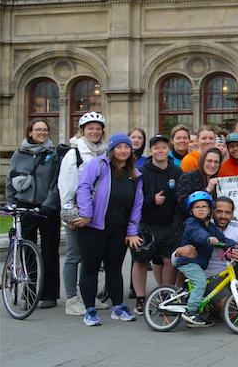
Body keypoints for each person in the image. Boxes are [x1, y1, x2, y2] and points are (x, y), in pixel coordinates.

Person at [74, 133, 143, 326]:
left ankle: (118, 307)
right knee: (90, 267)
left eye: (126, 147)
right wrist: (86, 214)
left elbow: (137, 206)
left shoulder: (135, 175)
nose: (123, 151)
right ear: (112, 149)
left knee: (114, 268)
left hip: (118, 229)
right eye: (119, 147)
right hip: (92, 227)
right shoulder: (97, 165)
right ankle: (89, 310)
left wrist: (132, 231)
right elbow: (84, 188)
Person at [6, 118, 63, 309]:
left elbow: (57, 183)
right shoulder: (19, 154)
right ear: (30, 132)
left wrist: (50, 204)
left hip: (47, 208)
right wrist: (12, 204)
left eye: (45, 130)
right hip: (25, 207)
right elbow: (10, 179)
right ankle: (29, 294)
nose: (42, 133)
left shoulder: (53, 154)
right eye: (38, 130)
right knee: (27, 251)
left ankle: (49, 295)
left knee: (49, 251)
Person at [58, 111, 109, 315]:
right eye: (90, 129)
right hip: (77, 212)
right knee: (74, 255)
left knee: (92, 256)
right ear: (82, 131)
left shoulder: (104, 152)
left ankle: (88, 295)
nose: (95, 132)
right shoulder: (74, 153)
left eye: (98, 128)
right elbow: (66, 187)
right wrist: (68, 216)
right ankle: (71, 299)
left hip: (98, 214)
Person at [131, 134, 182, 314]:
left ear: (169, 150)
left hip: (168, 225)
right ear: (151, 150)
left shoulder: (177, 172)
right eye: (156, 148)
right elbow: (134, 201)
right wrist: (152, 200)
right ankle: (140, 299)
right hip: (146, 224)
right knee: (141, 261)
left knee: (170, 261)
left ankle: (165, 295)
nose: (160, 151)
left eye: (163, 147)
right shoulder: (140, 172)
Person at [174, 191, 238, 327]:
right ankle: (191, 311)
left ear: (210, 210)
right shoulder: (191, 224)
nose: (201, 209)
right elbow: (198, 234)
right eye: (197, 207)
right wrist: (208, 239)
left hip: (199, 263)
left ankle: (198, 311)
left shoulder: (211, 227)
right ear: (191, 211)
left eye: (204, 207)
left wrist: (234, 245)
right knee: (201, 283)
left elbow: (223, 239)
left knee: (201, 283)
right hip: (189, 262)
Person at [174, 147, 223, 239]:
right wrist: (207, 190)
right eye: (209, 161)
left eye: (216, 162)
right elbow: (184, 205)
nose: (212, 165)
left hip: (212, 233)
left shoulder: (220, 181)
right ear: (202, 161)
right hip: (188, 235)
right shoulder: (188, 177)